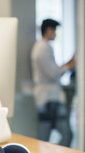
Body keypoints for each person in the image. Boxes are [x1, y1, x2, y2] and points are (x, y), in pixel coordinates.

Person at [31, 18, 76, 146]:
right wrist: (69, 66)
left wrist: (68, 64)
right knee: (64, 134)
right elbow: (53, 73)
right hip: (49, 99)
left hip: (48, 98)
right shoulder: (43, 48)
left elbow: (53, 70)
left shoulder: (41, 47)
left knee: (45, 136)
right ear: (49, 30)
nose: (55, 33)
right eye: (54, 30)